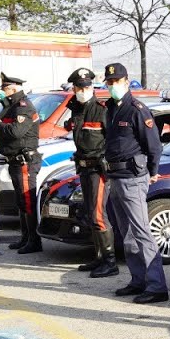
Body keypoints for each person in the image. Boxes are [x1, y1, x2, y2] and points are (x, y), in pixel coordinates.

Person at [101, 63, 166, 303]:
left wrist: (153, 171)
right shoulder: (111, 108)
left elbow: (154, 145)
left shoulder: (137, 109)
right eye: (109, 82)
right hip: (116, 177)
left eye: (116, 82)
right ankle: (138, 280)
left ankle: (157, 286)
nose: (112, 86)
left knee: (141, 232)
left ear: (126, 82)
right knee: (127, 234)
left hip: (133, 178)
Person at [64, 67, 118, 277]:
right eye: (79, 88)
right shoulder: (77, 109)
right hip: (84, 167)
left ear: (92, 88)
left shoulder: (101, 110)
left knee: (98, 215)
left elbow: (113, 140)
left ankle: (110, 261)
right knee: (90, 213)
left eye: (86, 87)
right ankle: (99, 257)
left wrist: (105, 160)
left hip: (98, 169)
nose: (82, 91)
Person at [0, 73, 42, 253]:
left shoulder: (23, 107)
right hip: (15, 160)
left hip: (24, 161)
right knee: (21, 201)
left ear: (13, 89)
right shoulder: (10, 106)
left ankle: (34, 241)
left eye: (4, 89)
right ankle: (25, 238)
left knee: (27, 200)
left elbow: (16, 132)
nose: (2, 92)